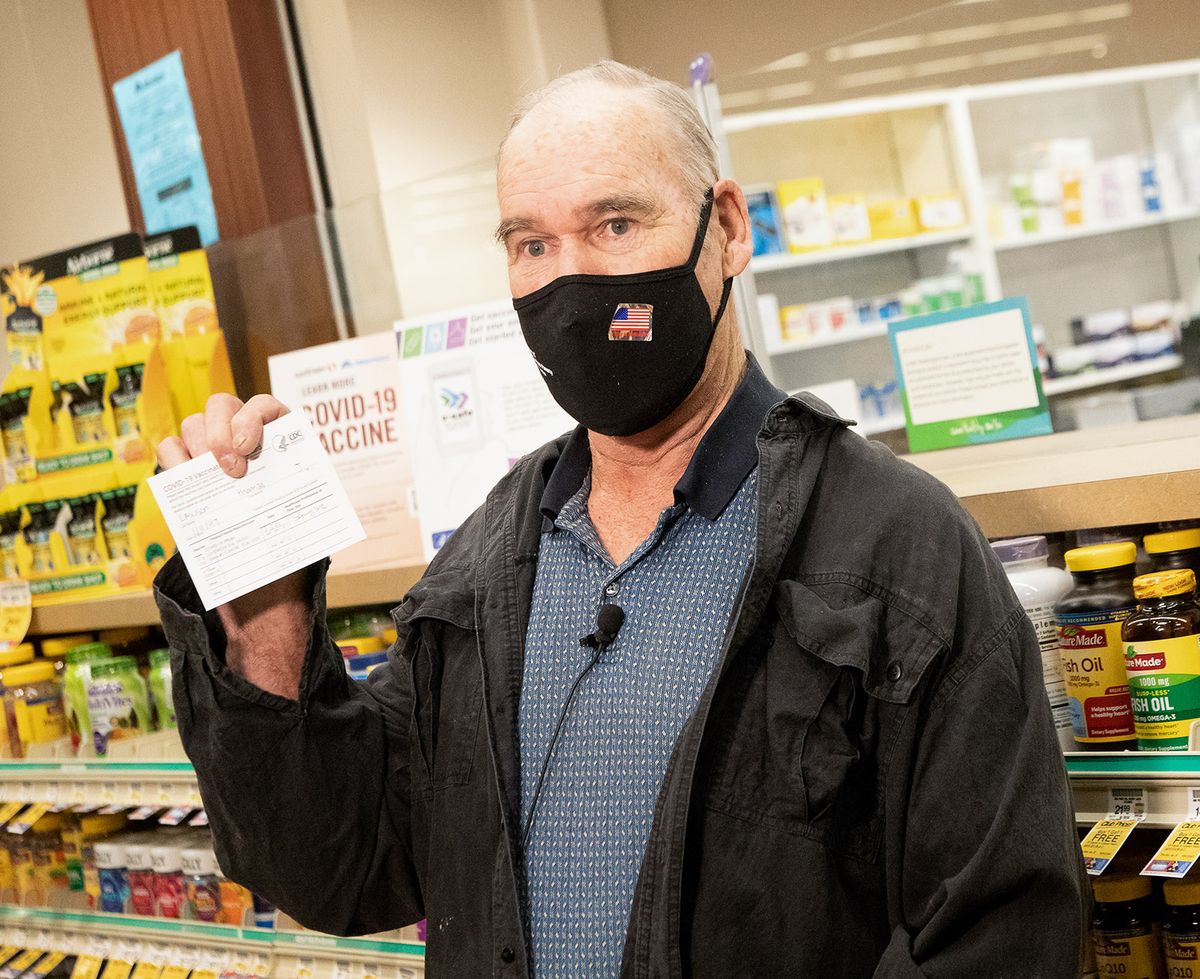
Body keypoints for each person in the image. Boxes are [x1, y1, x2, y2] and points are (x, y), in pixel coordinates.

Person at [154, 61, 1088, 977]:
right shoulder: (490, 555)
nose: (571, 283)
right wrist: (268, 615)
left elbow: (999, 927)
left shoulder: (894, 547)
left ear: (725, 228)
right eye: (531, 244)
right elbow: (346, 866)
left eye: (614, 223)